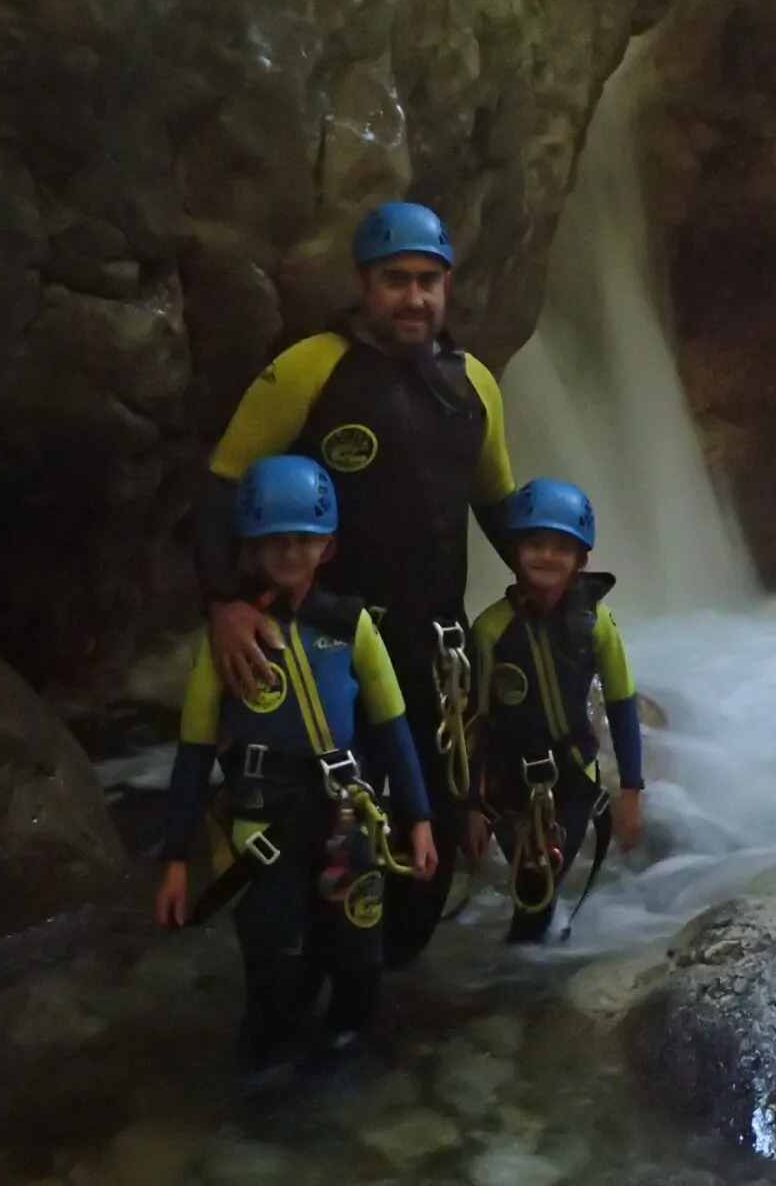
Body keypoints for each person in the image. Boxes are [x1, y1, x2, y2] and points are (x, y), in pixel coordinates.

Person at [193, 202, 516, 968]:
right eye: (395, 280)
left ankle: (384, 1000)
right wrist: (224, 604)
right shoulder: (310, 370)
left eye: (429, 281)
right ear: (363, 284)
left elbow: (496, 503)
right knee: (321, 833)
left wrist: (557, 592)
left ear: (448, 287)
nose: (414, 298)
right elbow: (217, 489)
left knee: (426, 822)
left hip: (433, 649)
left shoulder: (472, 384)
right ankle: (307, 992)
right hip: (324, 652)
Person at [155, 455, 441, 1076]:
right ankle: (264, 1078)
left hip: (348, 808)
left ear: (328, 546)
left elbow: (393, 728)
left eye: (304, 539)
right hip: (263, 818)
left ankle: (342, 1065)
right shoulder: (226, 641)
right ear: (249, 548)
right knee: (275, 961)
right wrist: (176, 861)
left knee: (362, 957)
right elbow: (195, 752)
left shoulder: (352, 625)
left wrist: (419, 818)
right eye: (274, 540)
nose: (289, 552)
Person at [460, 478, 647, 943]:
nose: (547, 556)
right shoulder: (490, 630)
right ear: (514, 551)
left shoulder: (597, 623)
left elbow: (623, 704)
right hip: (511, 782)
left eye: (561, 547)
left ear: (581, 559)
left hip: (573, 778)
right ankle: (533, 958)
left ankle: (531, 963)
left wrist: (631, 790)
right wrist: (473, 806)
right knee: (533, 889)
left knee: (539, 887)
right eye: (535, 544)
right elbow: (476, 721)